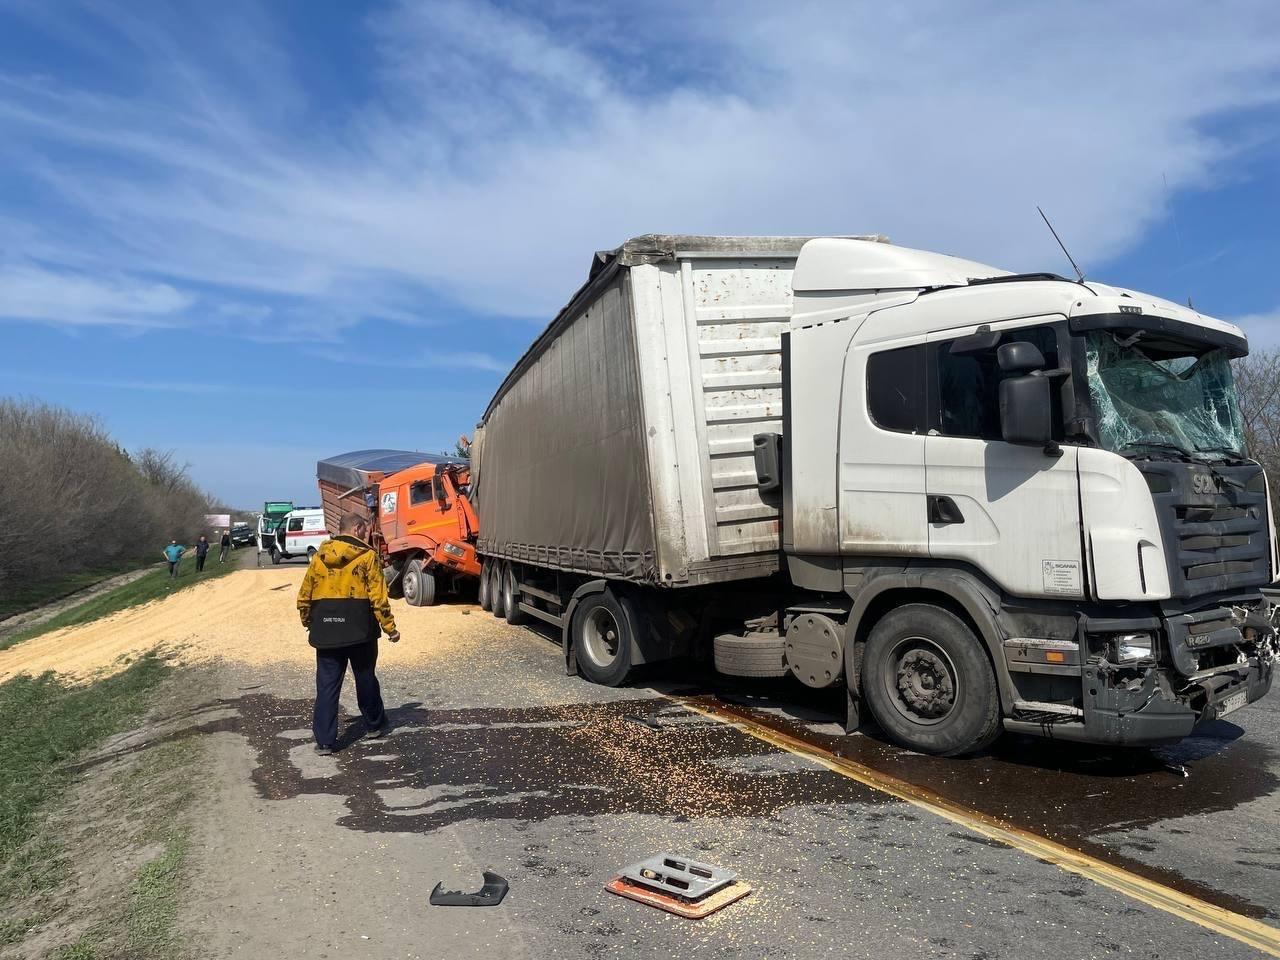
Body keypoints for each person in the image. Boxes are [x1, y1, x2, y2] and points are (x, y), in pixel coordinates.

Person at [296, 514, 400, 754]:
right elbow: (378, 598)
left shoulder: (319, 557)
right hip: (359, 629)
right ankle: (374, 725)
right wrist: (390, 628)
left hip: (326, 629)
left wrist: (309, 621)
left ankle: (324, 741)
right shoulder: (367, 556)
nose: (366, 534)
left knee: (327, 685)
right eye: (364, 529)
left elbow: (304, 595)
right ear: (357, 528)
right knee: (365, 678)